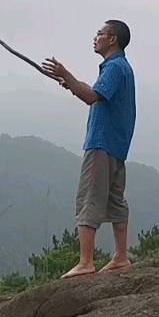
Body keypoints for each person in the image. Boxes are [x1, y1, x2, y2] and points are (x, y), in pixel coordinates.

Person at [41, 20, 136, 279]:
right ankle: (121, 256)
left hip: (101, 143)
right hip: (118, 146)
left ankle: (86, 262)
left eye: (99, 33)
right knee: (115, 200)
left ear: (112, 39)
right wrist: (70, 82)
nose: (95, 37)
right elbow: (93, 93)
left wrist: (67, 75)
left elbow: (91, 97)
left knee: (89, 198)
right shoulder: (122, 68)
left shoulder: (115, 67)